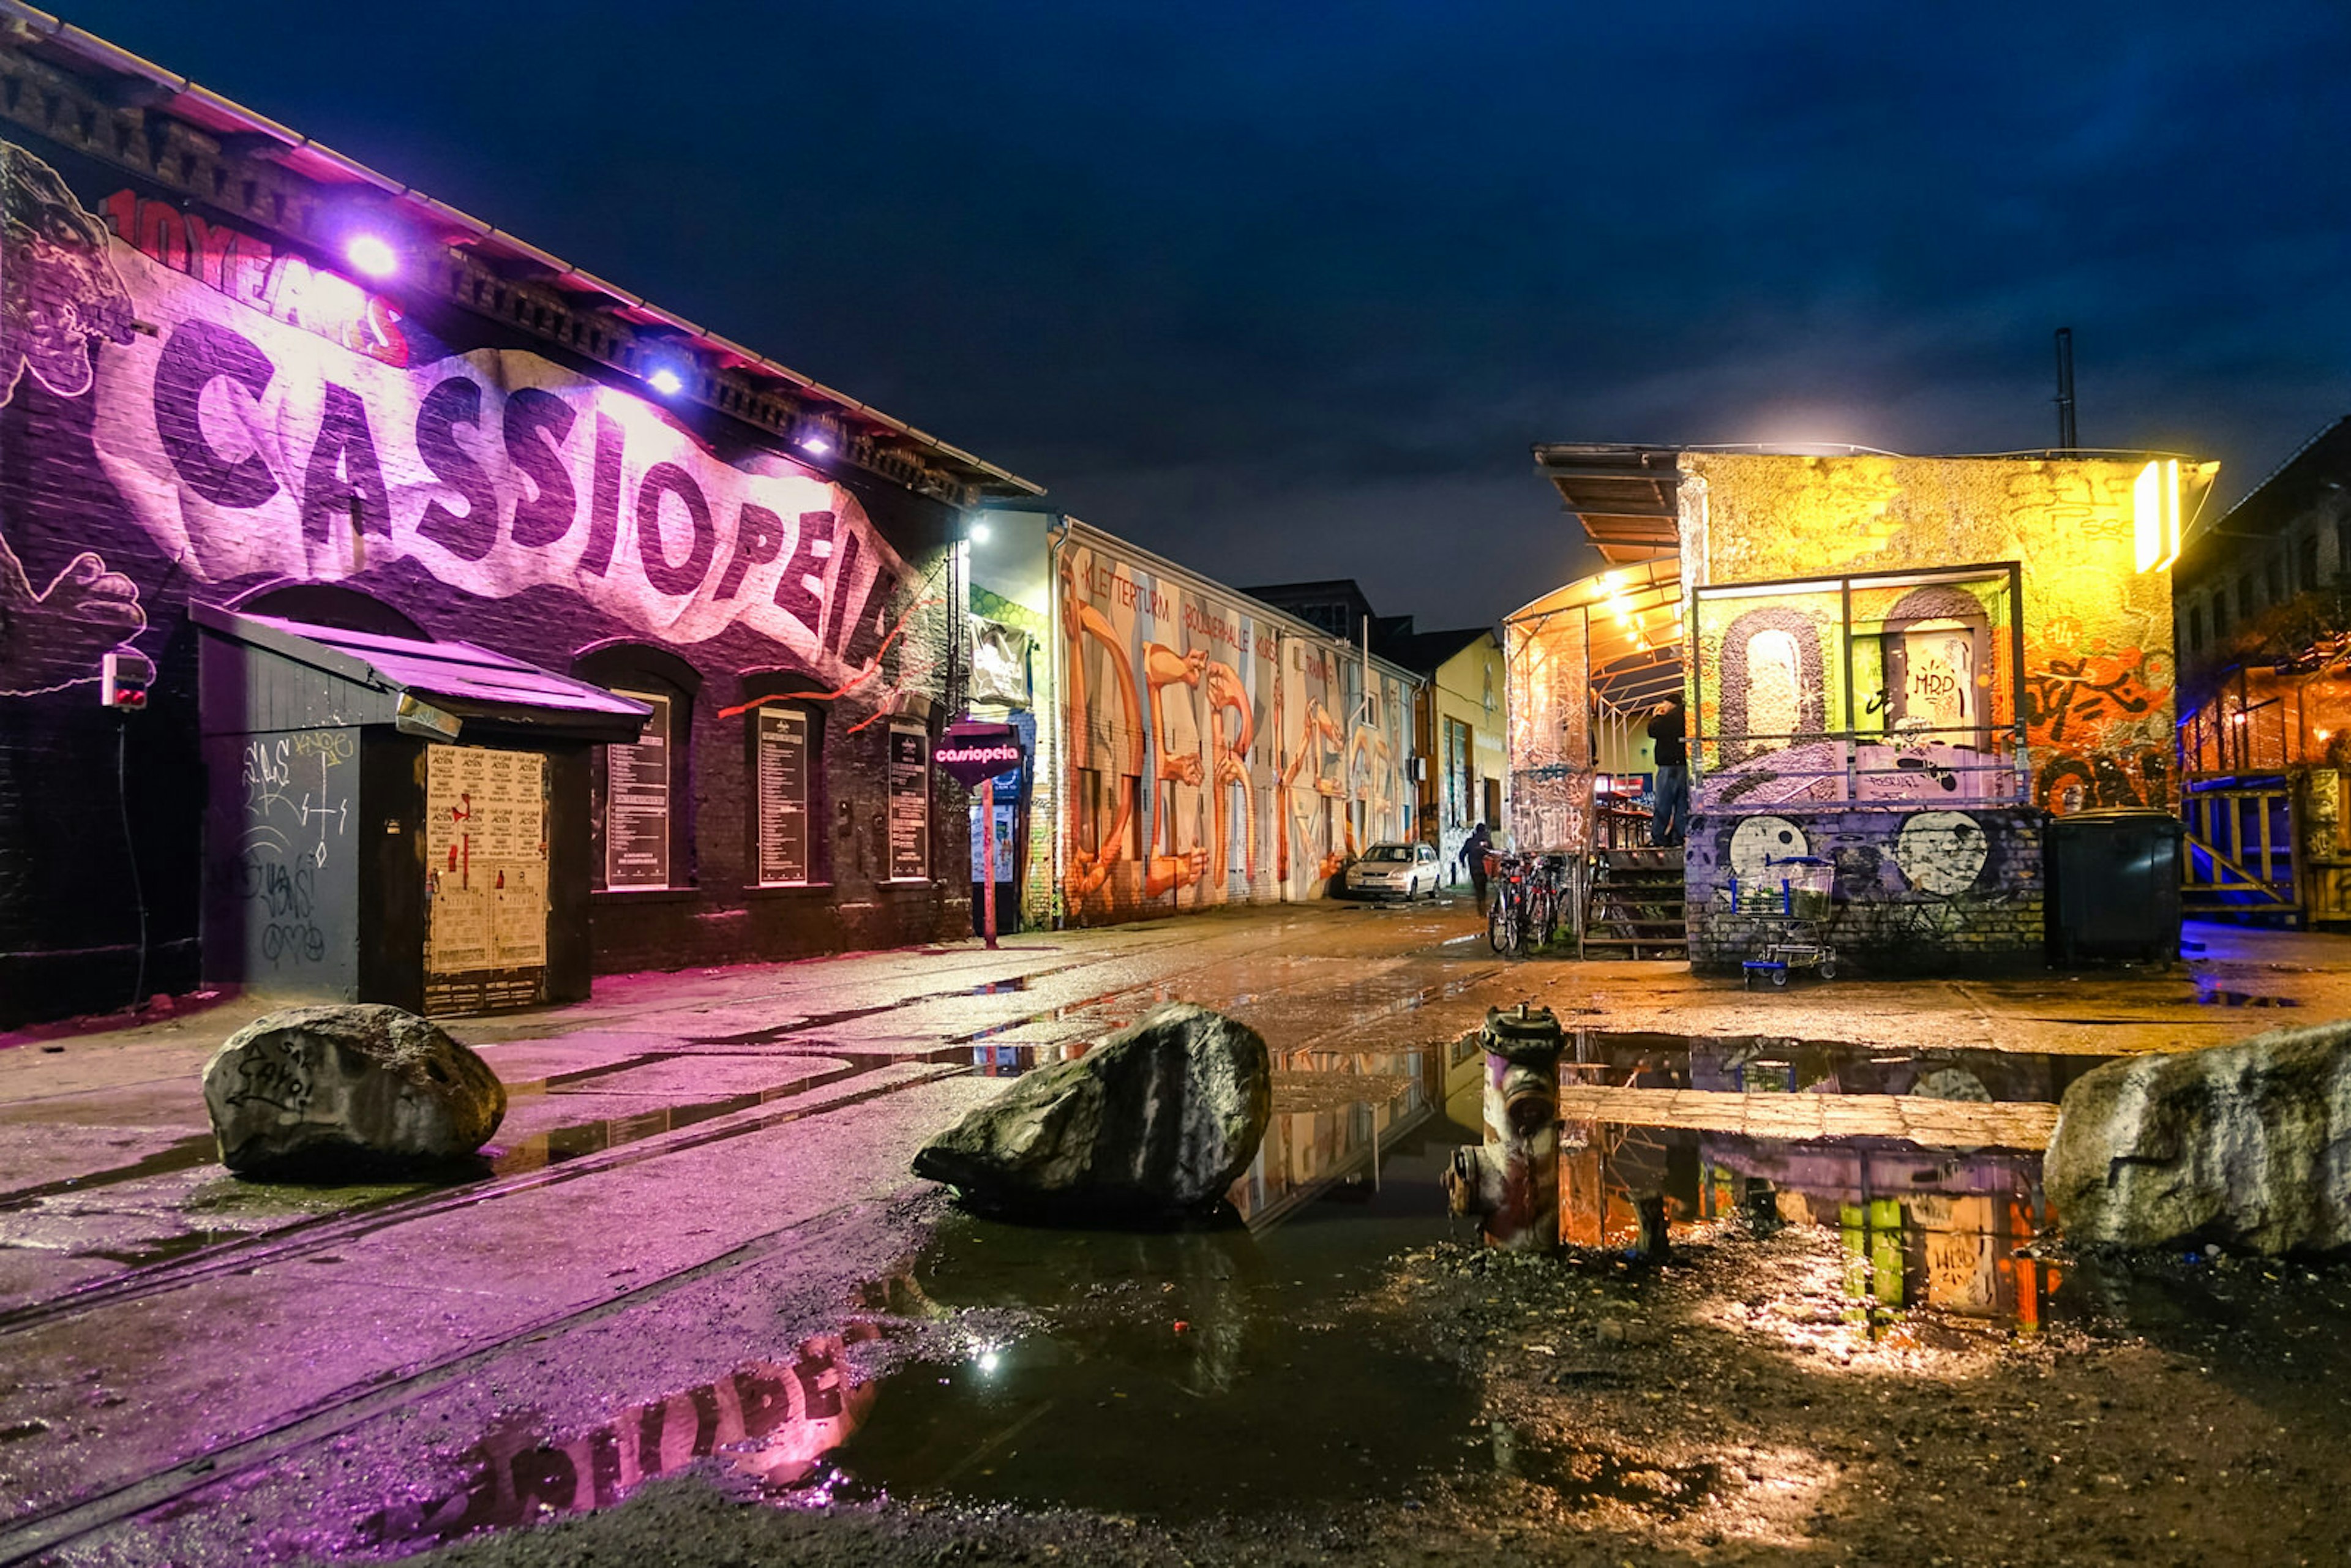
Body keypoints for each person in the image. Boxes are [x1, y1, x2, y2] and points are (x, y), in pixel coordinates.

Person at [1648, 696, 1689, 848]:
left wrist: (1657, 716)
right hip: (1684, 766)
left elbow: (1653, 730)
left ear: (1670, 704)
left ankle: (1659, 838)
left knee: (1663, 803)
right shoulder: (1687, 716)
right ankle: (1679, 837)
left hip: (1668, 766)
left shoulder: (1668, 718)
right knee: (1682, 804)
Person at [1461, 822, 1493, 913]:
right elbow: (1492, 854)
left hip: (1474, 869)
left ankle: (1480, 905)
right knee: (1483, 887)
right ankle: (1483, 905)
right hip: (1485, 869)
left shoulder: (1470, 842)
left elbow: (1462, 854)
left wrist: (1463, 864)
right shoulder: (1487, 842)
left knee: (1478, 887)